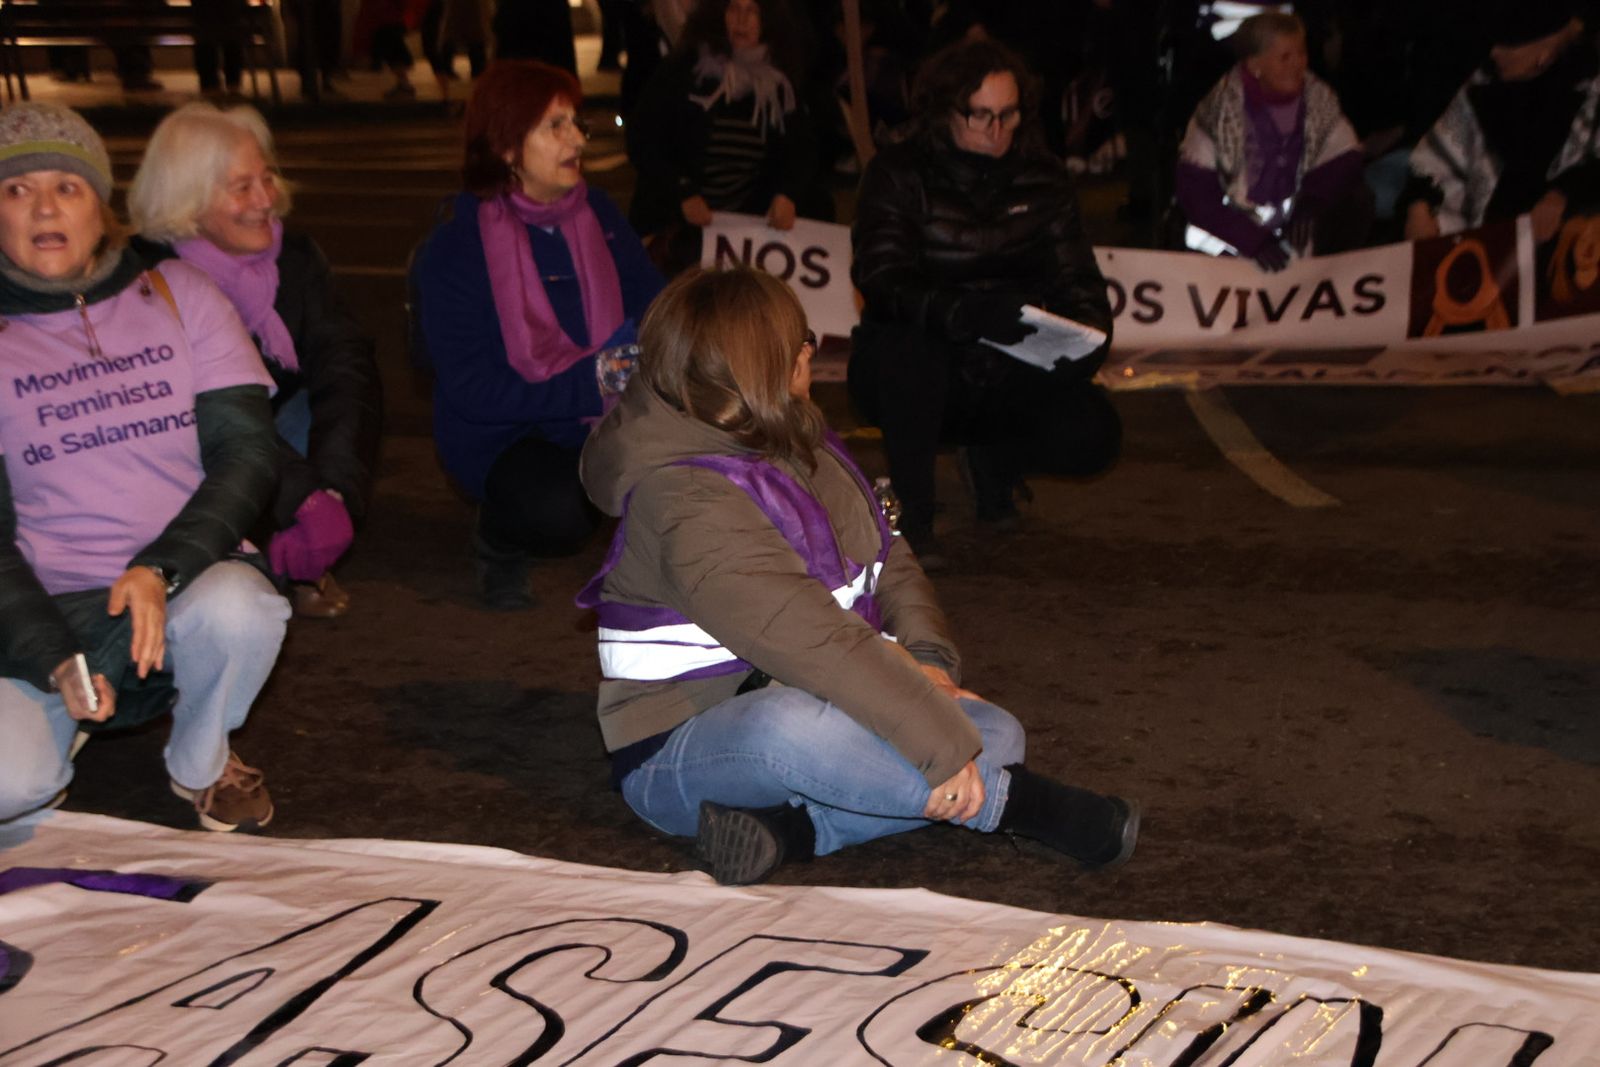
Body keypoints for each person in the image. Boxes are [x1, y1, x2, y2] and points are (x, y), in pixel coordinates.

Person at [578, 267, 1139, 886]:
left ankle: (796, 831)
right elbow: (811, 637)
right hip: (681, 746)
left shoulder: (790, 433)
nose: (810, 352)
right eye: (801, 341)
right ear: (766, 365)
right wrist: (934, 739)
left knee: (996, 734)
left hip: (813, 690)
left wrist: (928, 664)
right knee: (795, 729)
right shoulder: (682, 497)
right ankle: (1020, 805)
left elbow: (888, 556)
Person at [0, 102, 288, 831]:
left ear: (100, 207)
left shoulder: (178, 292)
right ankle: (57, 728)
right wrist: (49, 653)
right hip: (47, 606)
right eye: (16, 189)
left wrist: (161, 567)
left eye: (66, 187)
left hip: (184, 583)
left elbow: (247, 454)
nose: (44, 208)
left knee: (241, 609)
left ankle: (200, 760)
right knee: (9, 787)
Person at [850, 38, 1119, 568]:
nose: (996, 130)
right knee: (911, 355)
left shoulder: (1043, 180)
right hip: (917, 363)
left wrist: (1083, 339)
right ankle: (914, 517)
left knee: (1095, 433)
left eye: (1008, 114)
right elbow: (881, 277)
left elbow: (1079, 281)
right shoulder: (898, 173)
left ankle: (994, 464)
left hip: (1005, 362)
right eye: (980, 116)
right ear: (945, 111)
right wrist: (962, 314)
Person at [413, 61, 662, 609]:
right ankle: (497, 539)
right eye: (555, 126)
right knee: (560, 511)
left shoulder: (597, 212)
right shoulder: (458, 246)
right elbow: (474, 390)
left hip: (600, 408)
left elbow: (654, 303)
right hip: (505, 433)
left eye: (576, 122)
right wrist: (592, 382)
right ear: (506, 147)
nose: (578, 139)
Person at [128, 103, 382, 619]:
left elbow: (346, 366)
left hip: (268, 426)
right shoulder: (145, 280)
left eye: (267, 178)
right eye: (242, 187)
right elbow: (206, 417)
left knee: (322, 408)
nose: (267, 199)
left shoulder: (294, 257)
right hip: (189, 440)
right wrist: (303, 498)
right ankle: (263, 558)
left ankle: (297, 552)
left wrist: (335, 490)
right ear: (187, 200)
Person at [626, 0, 830, 274]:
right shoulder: (684, 70)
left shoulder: (781, 84)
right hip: (676, 224)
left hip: (742, 231)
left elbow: (801, 150)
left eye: (752, 11)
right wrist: (681, 192)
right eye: (734, 9)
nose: (741, 20)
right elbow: (642, 138)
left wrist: (787, 194)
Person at [1174, 11, 1368, 269]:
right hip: (1224, 245)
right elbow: (1196, 194)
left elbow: (1345, 159)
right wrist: (1251, 239)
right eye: (1285, 57)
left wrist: (1311, 203)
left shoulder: (1319, 101)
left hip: (1292, 241)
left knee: (1359, 200)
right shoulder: (1218, 112)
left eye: (1301, 53)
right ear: (1255, 66)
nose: (1298, 64)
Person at [1402, 1, 1599, 243]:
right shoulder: (1483, 85)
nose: (1494, 52)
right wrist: (1418, 207)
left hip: (1559, 244)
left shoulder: (1589, 90)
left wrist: (1562, 193)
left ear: (1543, 56)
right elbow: (1433, 162)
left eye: (1508, 45)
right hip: (1484, 242)